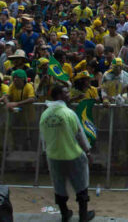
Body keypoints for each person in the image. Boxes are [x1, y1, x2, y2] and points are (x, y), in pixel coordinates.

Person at [39, 85, 94, 222]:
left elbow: (43, 138)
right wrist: (87, 151)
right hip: (73, 156)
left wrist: (46, 154)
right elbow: (80, 135)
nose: (69, 94)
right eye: (66, 92)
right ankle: (83, 216)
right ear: (59, 95)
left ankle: (65, 214)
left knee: (59, 186)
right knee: (81, 185)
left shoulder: (44, 115)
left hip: (53, 157)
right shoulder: (68, 113)